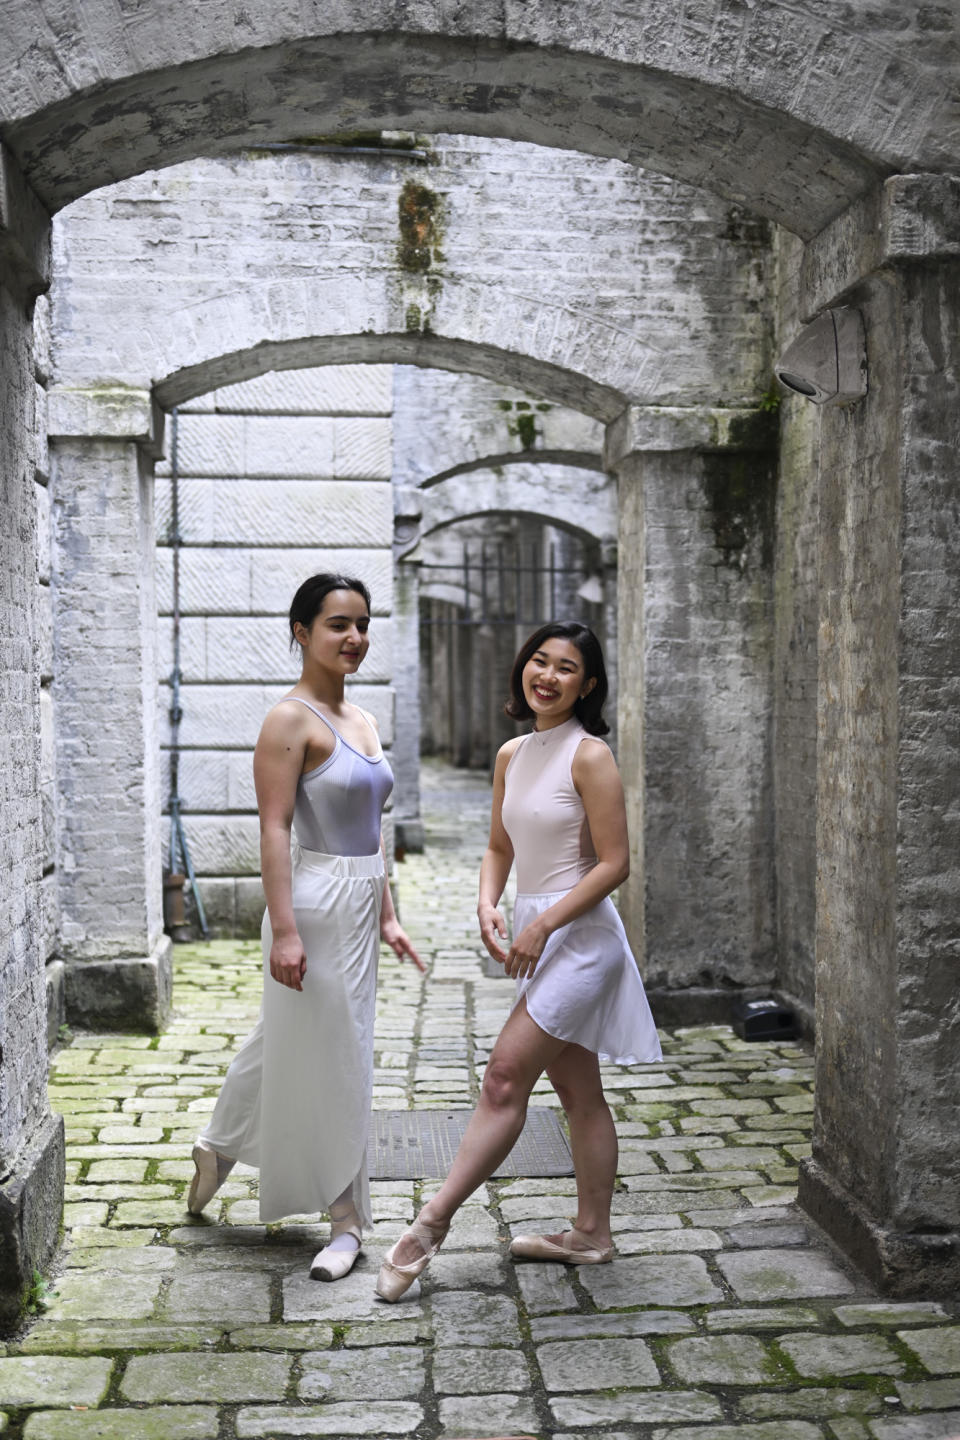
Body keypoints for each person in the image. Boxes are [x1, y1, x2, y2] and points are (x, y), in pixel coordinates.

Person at [375, 620, 661, 1301]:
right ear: (523, 669)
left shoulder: (589, 756)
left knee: (504, 1077)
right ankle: (592, 1234)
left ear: (587, 686)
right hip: (538, 931)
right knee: (579, 1092)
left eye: (567, 669)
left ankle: (428, 1227)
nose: (549, 676)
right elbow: (500, 845)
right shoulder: (512, 755)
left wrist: (546, 926)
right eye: (540, 661)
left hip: (583, 939)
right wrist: (487, 905)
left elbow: (615, 864)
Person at [186, 573, 423, 1281]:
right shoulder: (289, 721)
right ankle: (346, 1221)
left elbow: (372, 830)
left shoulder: (364, 720)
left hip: (358, 901)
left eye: (362, 624)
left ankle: (218, 1145)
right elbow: (274, 827)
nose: (355, 638)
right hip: (313, 905)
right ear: (301, 632)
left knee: (284, 1039)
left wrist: (388, 913)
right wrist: (285, 932)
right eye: (337, 625)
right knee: (339, 1053)